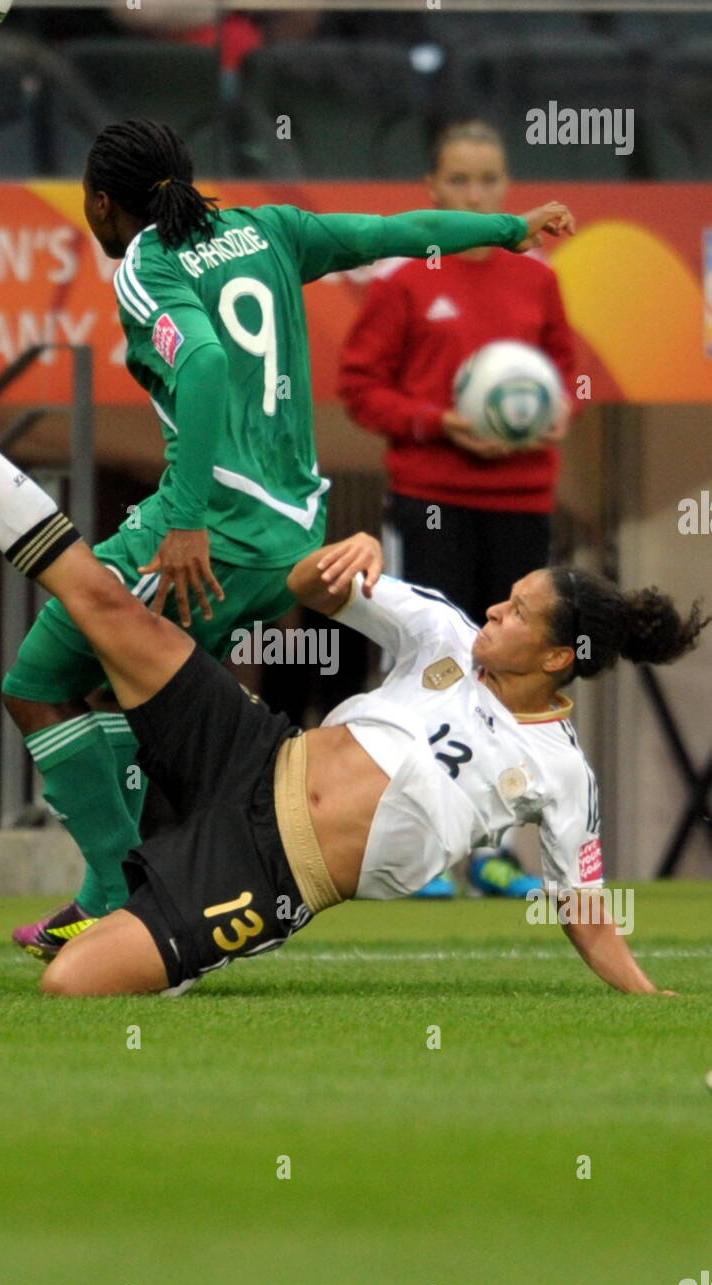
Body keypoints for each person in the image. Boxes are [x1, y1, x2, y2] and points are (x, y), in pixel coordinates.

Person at [0, 328, 707, 997]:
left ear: (561, 656)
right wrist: (341, 554)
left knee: (71, 984)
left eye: (518, 611)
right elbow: (310, 587)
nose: (495, 608)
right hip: (251, 749)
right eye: (507, 596)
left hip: (272, 871)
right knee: (102, 603)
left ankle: (149, 910)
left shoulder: (563, 776)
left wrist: (645, 995)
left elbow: (585, 912)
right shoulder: (443, 632)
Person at [0, 117, 575, 950]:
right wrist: (509, 230)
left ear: (100, 202)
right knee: (131, 695)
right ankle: (140, 886)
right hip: (295, 538)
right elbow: (398, 233)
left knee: (36, 681)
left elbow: (198, 365)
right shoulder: (266, 228)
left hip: (214, 531)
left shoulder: (145, 269)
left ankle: (126, 890)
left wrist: (186, 518)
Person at [339, 118, 576, 900]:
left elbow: (568, 376)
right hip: (431, 500)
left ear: (503, 188)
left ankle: (493, 852)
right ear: (432, 192)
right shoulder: (405, 281)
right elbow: (358, 389)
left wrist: (553, 415)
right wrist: (437, 422)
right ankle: (419, 855)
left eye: (489, 180)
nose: (477, 193)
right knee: (432, 667)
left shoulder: (537, 280)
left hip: (520, 502)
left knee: (515, 679)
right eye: (460, 181)